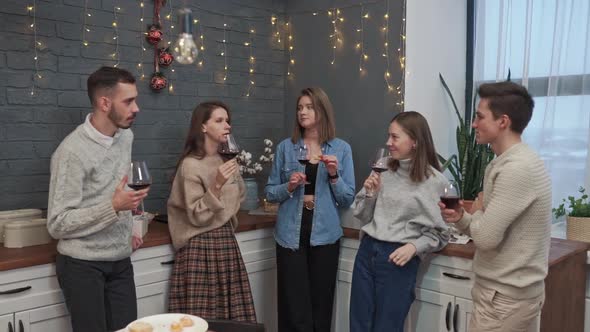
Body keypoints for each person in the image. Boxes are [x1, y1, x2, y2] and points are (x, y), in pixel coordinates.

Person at [439, 82, 551, 332]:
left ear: (503, 122)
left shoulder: (516, 169)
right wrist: (460, 216)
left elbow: (487, 237)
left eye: (480, 117)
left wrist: (478, 210)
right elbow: (489, 230)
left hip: (504, 300)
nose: (474, 124)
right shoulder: (507, 162)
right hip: (504, 296)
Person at [47, 66, 148, 332]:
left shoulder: (125, 137)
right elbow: (57, 223)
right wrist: (114, 207)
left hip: (120, 260)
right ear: (104, 103)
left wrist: (131, 227)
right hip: (82, 266)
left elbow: (120, 189)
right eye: (128, 101)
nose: (136, 108)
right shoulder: (71, 152)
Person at [349, 111, 449, 332]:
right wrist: (370, 195)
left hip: (397, 259)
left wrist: (414, 247)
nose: (388, 142)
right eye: (388, 136)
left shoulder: (435, 181)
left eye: (394, 137)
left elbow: (442, 234)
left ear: (414, 141)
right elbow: (362, 215)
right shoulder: (383, 166)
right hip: (367, 252)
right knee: (358, 326)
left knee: (387, 328)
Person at [265, 87, 355, 332]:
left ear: (322, 111)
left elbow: (347, 199)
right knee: (293, 309)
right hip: (289, 235)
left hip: (325, 235)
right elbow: (271, 192)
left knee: (321, 307)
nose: (302, 112)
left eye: (309, 107)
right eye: (299, 107)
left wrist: (335, 175)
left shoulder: (341, 149)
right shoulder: (286, 148)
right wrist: (289, 186)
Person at [167, 101, 256, 322]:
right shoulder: (190, 165)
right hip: (199, 248)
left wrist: (231, 177)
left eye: (227, 121)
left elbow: (240, 197)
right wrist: (216, 184)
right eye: (219, 120)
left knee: (233, 320)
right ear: (203, 126)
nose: (227, 126)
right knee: (200, 320)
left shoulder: (225, 159)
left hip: (226, 241)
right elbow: (197, 215)